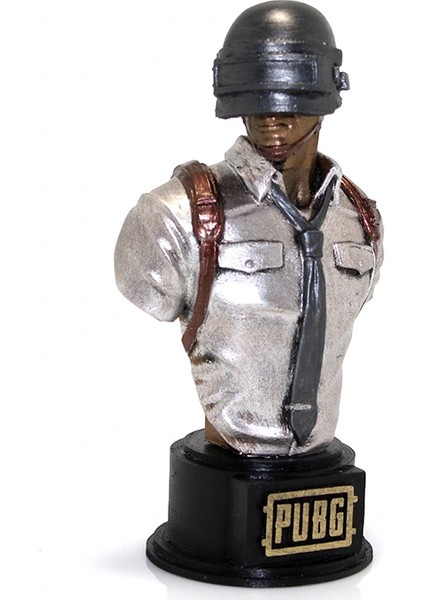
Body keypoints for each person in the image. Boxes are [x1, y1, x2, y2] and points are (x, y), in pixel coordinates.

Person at [115, 1, 383, 456]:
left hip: (320, 458)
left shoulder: (360, 221)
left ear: (325, 95)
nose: (270, 116)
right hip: (229, 447)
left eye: (291, 95)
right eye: (254, 98)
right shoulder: (176, 213)